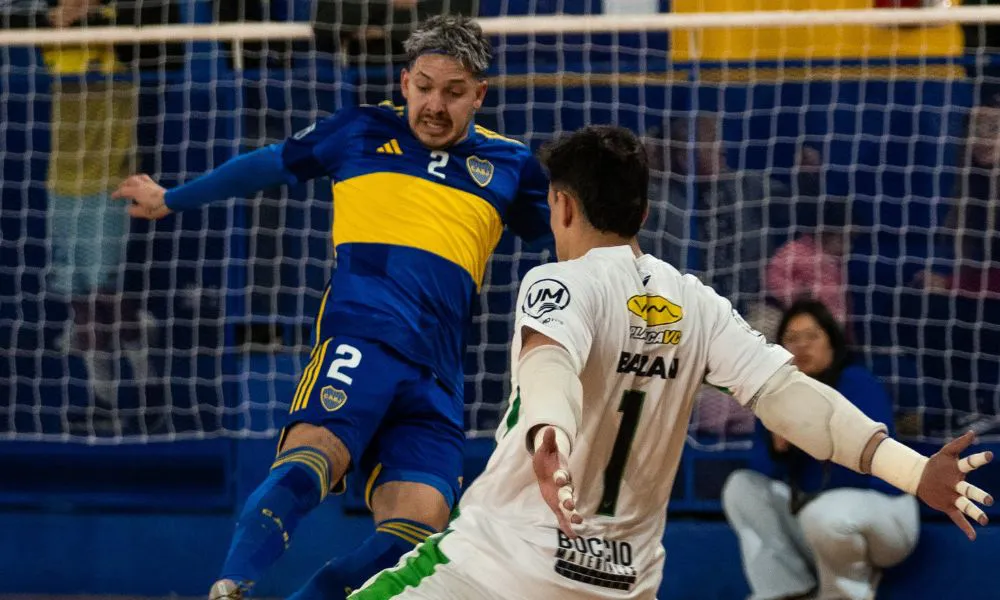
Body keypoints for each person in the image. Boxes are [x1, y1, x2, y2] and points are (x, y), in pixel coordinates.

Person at [348, 125, 993, 600]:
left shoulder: (561, 282)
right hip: (624, 585)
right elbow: (795, 401)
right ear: (645, 213)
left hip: (498, 571)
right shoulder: (695, 303)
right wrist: (911, 470)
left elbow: (548, 363)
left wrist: (549, 434)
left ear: (562, 207)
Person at [113, 15, 551, 600]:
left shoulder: (513, 165)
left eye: (453, 92)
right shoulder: (358, 130)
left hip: (439, 375)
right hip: (360, 339)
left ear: (480, 95)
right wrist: (171, 198)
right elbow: (266, 164)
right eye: (424, 87)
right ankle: (230, 584)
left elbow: (568, 233)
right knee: (309, 460)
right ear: (404, 82)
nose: (435, 106)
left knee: (418, 538)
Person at [723, 299, 919, 600]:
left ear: (832, 341)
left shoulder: (855, 382)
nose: (801, 346)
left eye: (812, 336)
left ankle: (843, 594)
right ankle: (787, 591)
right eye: (791, 338)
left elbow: (873, 466)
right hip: (815, 519)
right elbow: (763, 471)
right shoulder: (776, 396)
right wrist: (780, 451)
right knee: (741, 487)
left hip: (886, 515)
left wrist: (811, 437)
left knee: (823, 513)